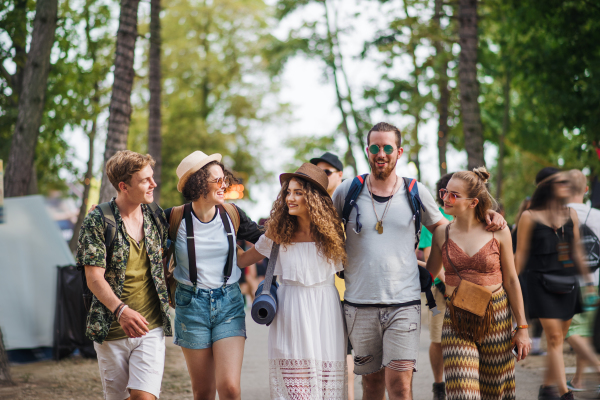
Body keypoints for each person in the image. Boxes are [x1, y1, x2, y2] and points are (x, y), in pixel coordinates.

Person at [331, 122, 506, 400]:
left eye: (388, 148)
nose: (381, 153)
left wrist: (486, 215)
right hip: (359, 304)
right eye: (375, 147)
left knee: (400, 386)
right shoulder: (347, 190)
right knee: (372, 386)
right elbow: (322, 224)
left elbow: (443, 226)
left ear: (398, 152)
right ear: (367, 151)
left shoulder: (415, 190)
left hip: (404, 303)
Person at [238, 163, 348, 399]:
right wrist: (223, 230)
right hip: (290, 311)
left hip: (325, 313)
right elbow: (243, 260)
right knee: (295, 389)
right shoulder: (276, 233)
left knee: (326, 388)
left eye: (298, 192)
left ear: (314, 198)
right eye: (288, 192)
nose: (290, 198)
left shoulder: (334, 235)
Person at [425, 167, 531, 400]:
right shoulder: (441, 233)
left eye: (454, 195)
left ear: (473, 203)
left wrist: (522, 328)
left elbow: (512, 280)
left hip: (497, 316)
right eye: (444, 192)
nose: (445, 198)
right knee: (463, 392)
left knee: (495, 391)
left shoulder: (498, 231)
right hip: (457, 319)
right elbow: (428, 274)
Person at [167, 151, 263, 400]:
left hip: (229, 303)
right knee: (203, 392)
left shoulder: (232, 215)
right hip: (191, 306)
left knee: (230, 388)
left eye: (224, 179)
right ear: (198, 183)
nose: (224, 185)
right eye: (217, 180)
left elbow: (262, 239)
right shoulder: (173, 218)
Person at [77, 150, 171, 400]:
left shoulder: (156, 217)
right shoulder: (98, 221)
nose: (154, 184)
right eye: (145, 180)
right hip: (111, 331)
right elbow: (94, 278)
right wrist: (121, 311)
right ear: (124, 186)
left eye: (151, 177)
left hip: (150, 328)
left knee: (144, 397)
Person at [515, 167, 591, 400]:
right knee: (556, 339)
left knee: (558, 340)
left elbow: (577, 251)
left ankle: (547, 389)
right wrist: (509, 287)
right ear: (547, 186)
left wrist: (587, 281)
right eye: (561, 183)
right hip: (540, 283)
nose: (566, 187)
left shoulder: (572, 215)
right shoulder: (529, 216)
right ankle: (565, 393)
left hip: (568, 283)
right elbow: (520, 256)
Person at [311, 151, 357, 400]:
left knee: (343, 356)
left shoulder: (351, 205)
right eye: (318, 172)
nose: (323, 177)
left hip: (343, 292)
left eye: (327, 172)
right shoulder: (308, 207)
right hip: (314, 293)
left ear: (340, 175)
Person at [418, 173, 454, 400]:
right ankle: (439, 385)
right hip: (440, 291)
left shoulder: (469, 217)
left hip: (468, 291)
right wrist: (447, 284)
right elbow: (430, 257)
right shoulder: (434, 218)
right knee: (438, 338)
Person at [564, 169, 600, 392]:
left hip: (568, 281)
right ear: (586, 189)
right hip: (596, 278)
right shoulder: (597, 215)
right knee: (586, 331)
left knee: (571, 331)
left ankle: (596, 368)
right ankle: (578, 380)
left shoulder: (558, 214)